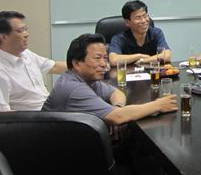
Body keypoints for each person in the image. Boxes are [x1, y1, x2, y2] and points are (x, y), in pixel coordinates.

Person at [43, 33, 177, 124]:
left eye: (105, 58)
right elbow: (118, 117)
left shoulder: (88, 80)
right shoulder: (74, 88)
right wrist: (158, 105)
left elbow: (116, 92)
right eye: (97, 58)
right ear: (77, 63)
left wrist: (117, 107)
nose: (103, 64)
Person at [0, 11, 67, 111]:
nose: (27, 34)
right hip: (35, 118)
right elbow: (0, 114)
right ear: (4, 37)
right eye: (21, 31)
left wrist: (82, 66)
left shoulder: (26, 54)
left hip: (50, 108)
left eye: (26, 29)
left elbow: (55, 67)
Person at [108, 0, 171, 65]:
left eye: (145, 16)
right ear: (127, 22)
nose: (143, 21)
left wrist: (144, 60)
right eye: (138, 18)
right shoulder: (119, 38)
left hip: (152, 71)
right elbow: (113, 60)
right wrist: (139, 56)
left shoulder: (156, 33)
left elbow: (167, 56)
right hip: (129, 71)